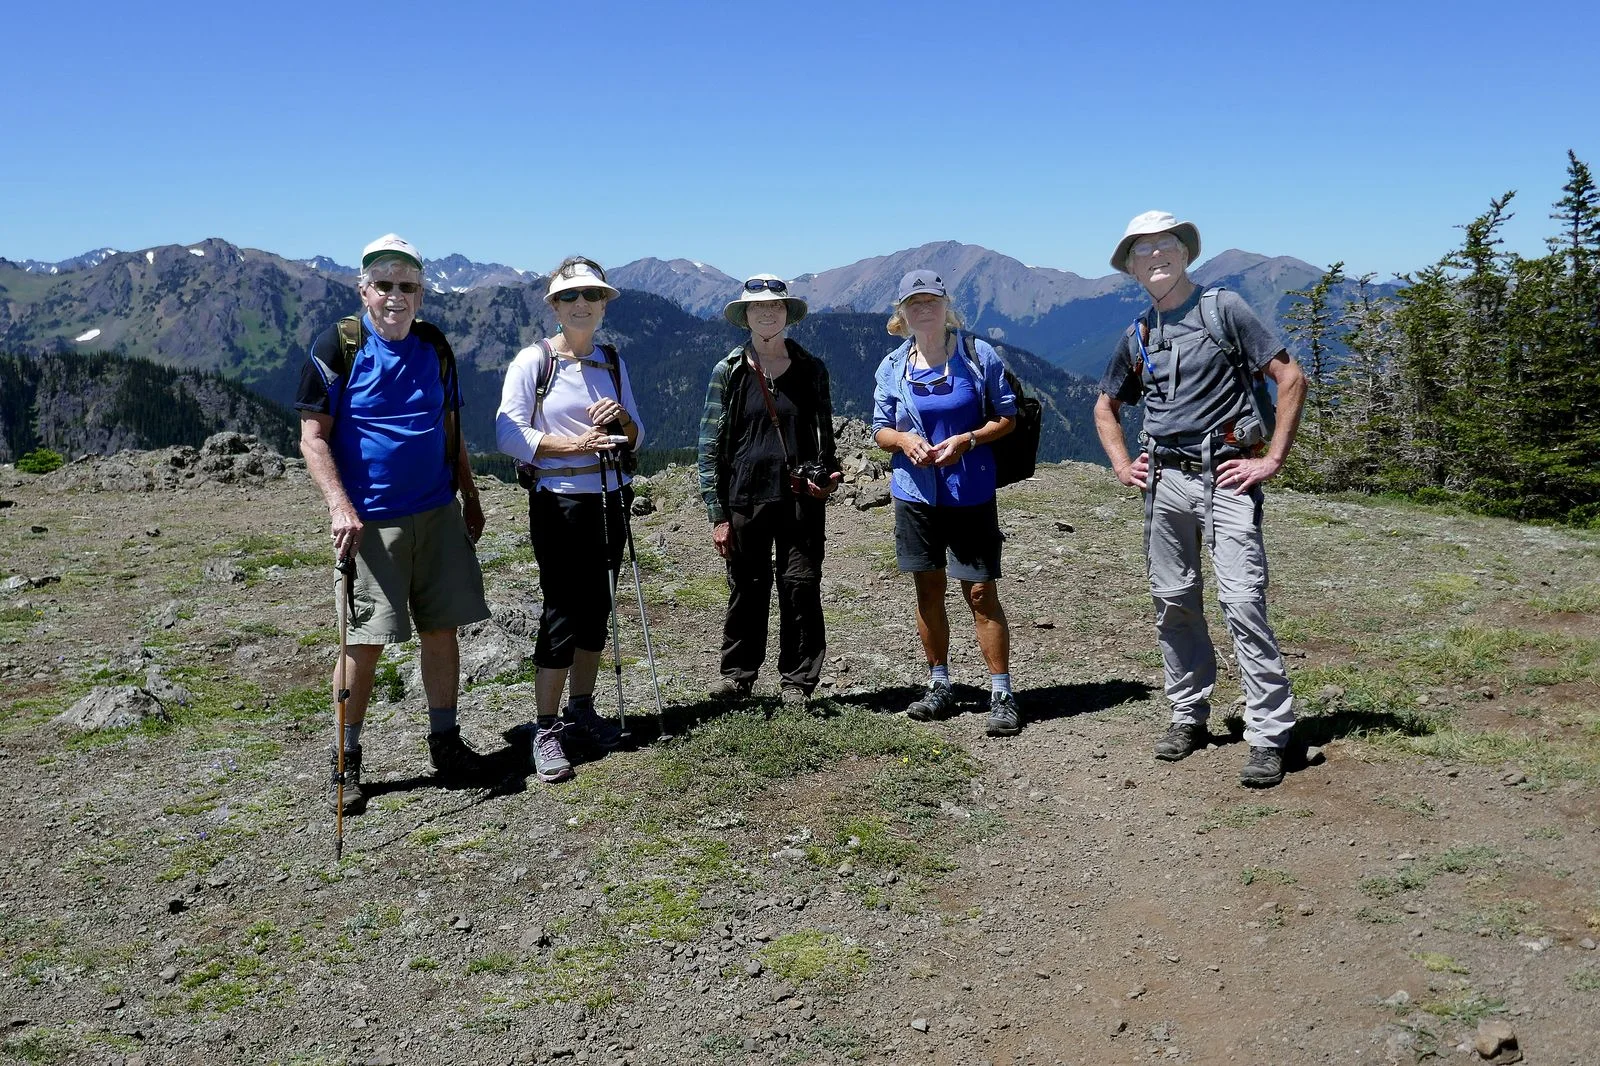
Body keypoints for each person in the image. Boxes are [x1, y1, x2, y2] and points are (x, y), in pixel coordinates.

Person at [1093, 211, 1307, 788]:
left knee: (1242, 600)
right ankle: (1187, 713)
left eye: (1165, 246)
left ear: (1184, 253)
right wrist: (1121, 464)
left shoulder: (1224, 310)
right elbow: (1105, 405)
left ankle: (1269, 733)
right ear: (1132, 266)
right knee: (1174, 601)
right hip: (1164, 480)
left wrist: (1272, 459)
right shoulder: (1138, 333)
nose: (1156, 257)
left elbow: (1290, 377)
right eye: (1144, 251)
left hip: (1226, 476)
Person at [297, 234, 491, 805]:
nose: (395, 297)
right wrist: (339, 506)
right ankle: (345, 760)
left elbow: (449, 426)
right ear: (364, 290)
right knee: (364, 642)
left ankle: (445, 741)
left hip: (436, 509)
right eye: (384, 286)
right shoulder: (339, 345)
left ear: (422, 294)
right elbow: (312, 439)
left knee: (441, 627)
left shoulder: (435, 346)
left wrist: (469, 493)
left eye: (407, 287)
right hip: (371, 521)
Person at [496, 256, 644, 783]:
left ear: (603, 304)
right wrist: (568, 444)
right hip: (559, 500)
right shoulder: (533, 362)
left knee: (597, 603)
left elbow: (637, 434)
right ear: (555, 306)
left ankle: (581, 708)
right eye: (571, 297)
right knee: (562, 607)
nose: (582, 305)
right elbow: (508, 433)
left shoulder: (611, 361)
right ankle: (546, 727)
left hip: (609, 494)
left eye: (592, 296)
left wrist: (620, 420)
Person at [870, 270, 1021, 736]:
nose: (923, 309)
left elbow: (1007, 418)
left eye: (930, 300)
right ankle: (940, 684)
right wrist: (902, 440)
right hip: (915, 493)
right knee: (928, 589)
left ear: (944, 305)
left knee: (979, 591)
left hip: (970, 491)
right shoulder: (892, 366)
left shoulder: (979, 356)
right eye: (913, 303)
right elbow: (879, 428)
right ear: (902, 313)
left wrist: (970, 439)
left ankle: (1001, 691)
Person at [696, 275, 842, 708]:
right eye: (758, 308)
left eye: (775, 307)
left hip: (800, 499)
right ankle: (739, 677)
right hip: (744, 497)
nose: (767, 314)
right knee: (747, 585)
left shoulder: (812, 369)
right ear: (745, 316)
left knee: (801, 585)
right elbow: (708, 445)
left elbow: (824, 432)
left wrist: (829, 474)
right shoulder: (729, 371)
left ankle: (797, 681)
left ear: (786, 314)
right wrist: (717, 513)